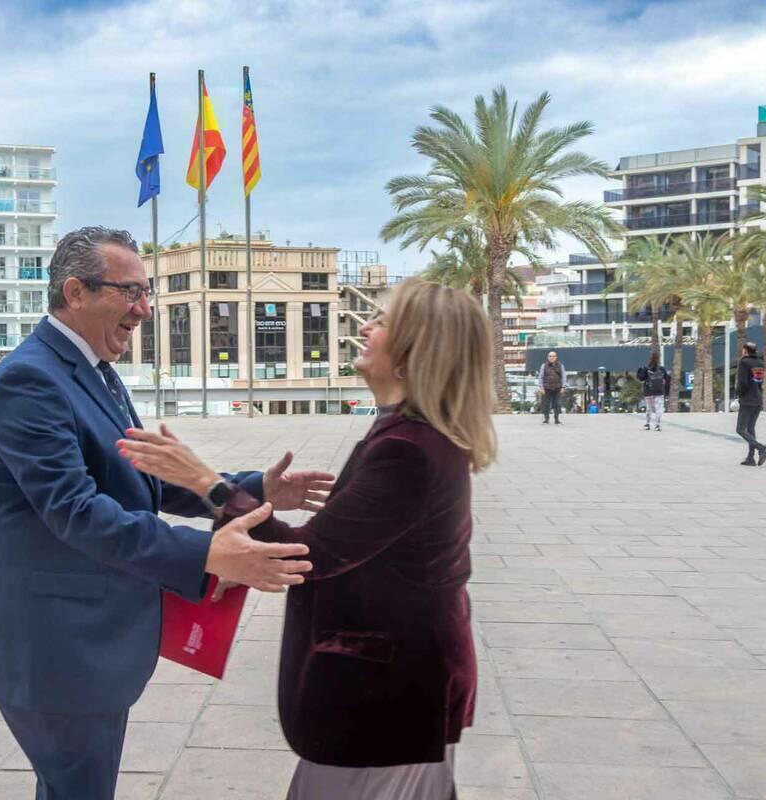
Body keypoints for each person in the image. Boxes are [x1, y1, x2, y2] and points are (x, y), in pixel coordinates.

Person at [0, 226, 331, 800]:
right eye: (131, 292)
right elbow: (75, 511)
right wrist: (208, 552)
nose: (143, 309)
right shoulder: (30, 379)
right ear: (75, 292)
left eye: (148, 294)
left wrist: (250, 486)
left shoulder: (93, 368)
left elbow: (139, 475)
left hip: (84, 645)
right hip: (54, 650)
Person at [121, 278, 496, 800]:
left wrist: (207, 483)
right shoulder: (408, 434)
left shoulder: (409, 448)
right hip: (399, 696)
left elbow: (302, 557)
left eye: (383, 322)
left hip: (389, 700)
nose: (365, 327)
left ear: (416, 351)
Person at [736, 341, 766, 466]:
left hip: (747, 400)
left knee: (740, 429)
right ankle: (751, 458)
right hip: (757, 399)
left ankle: (761, 448)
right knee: (750, 428)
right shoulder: (760, 363)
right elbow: (759, 382)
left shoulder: (744, 362)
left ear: (745, 350)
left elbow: (743, 383)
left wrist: (739, 394)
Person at [636, 353, 670, 431]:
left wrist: (639, 371)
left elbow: (641, 378)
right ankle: (658, 425)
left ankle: (647, 424)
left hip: (648, 391)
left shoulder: (646, 368)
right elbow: (667, 379)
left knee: (649, 408)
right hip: (659, 391)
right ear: (659, 359)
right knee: (659, 409)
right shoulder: (662, 369)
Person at [536, 350, 567, 424]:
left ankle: (557, 419)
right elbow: (540, 377)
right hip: (546, 388)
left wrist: (563, 387)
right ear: (548, 357)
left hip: (557, 388)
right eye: (550, 356)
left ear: (556, 357)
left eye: (553, 356)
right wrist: (541, 387)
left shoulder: (560, 365)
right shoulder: (543, 366)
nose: (552, 357)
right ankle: (546, 419)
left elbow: (564, 376)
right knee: (546, 404)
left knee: (557, 404)